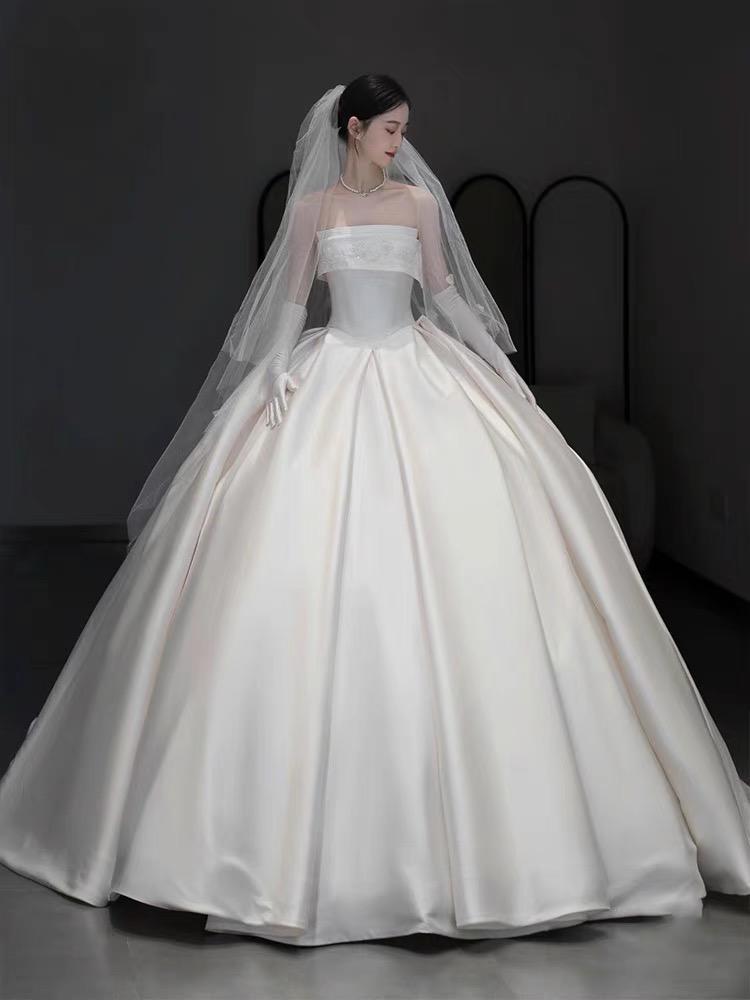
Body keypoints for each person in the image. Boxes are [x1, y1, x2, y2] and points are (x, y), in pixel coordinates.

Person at [0, 74, 748, 949]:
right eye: (390, 130)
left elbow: (446, 295)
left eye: (404, 130)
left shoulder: (419, 205)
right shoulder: (312, 210)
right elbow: (289, 306)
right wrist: (271, 374)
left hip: (418, 376)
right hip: (329, 378)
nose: (402, 143)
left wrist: (502, 370)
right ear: (352, 128)